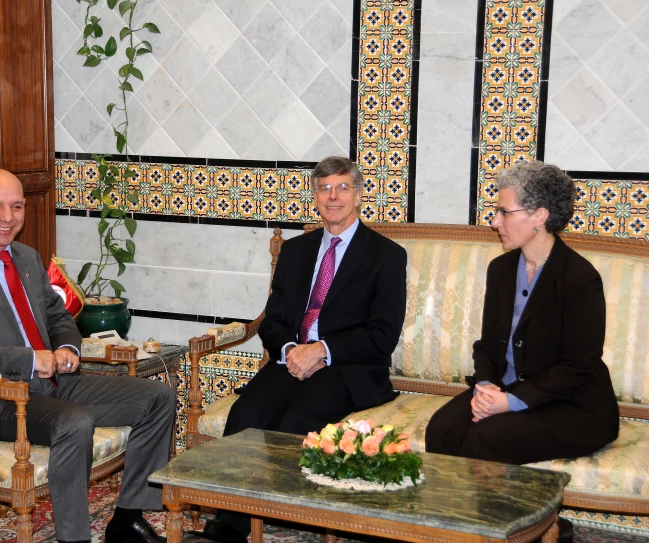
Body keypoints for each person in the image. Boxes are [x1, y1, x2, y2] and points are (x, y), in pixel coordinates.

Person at [0, 169, 175, 543]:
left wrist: (66, 348)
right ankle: (73, 538)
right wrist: (28, 359)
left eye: (16, 206)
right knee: (73, 422)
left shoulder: (26, 257)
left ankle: (125, 518)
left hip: (52, 383)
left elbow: (58, 316)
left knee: (159, 397)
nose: (7, 217)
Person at [192, 156, 407, 543]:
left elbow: (382, 335)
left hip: (347, 368)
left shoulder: (386, 256)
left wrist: (321, 350)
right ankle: (228, 526)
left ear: (358, 195)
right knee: (248, 412)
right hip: (290, 359)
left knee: (296, 421)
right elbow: (271, 321)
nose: (333, 196)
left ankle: (287, 515)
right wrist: (292, 348)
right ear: (314, 196)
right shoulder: (295, 251)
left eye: (343, 187)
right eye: (324, 188)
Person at [425, 161, 619, 540]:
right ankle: (460, 530)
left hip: (574, 405)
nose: (495, 221)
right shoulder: (501, 269)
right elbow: (488, 345)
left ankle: (515, 532)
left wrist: (510, 402)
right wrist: (485, 387)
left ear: (539, 217)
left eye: (503, 212)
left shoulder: (579, 280)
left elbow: (577, 367)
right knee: (443, 429)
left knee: (486, 438)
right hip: (508, 392)